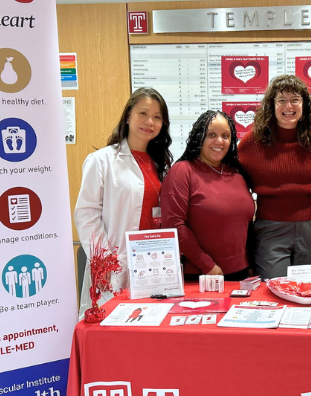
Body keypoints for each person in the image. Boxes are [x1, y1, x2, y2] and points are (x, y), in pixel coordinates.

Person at [74, 87, 172, 316]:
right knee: (112, 328)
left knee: (149, 331)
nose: (150, 122)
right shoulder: (102, 161)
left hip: (151, 263)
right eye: (143, 113)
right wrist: (104, 260)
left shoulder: (161, 165)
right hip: (115, 262)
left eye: (157, 117)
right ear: (128, 116)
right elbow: (86, 214)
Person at [238, 75, 311, 279]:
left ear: (304, 104)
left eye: (295, 99)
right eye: (281, 100)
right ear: (272, 105)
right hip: (270, 228)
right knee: (273, 288)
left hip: (310, 227)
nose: (288, 106)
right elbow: (233, 181)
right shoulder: (252, 142)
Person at [161, 110, 255, 281]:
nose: (219, 141)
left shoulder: (237, 173)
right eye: (211, 134)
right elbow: (173, 223)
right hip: (201, 275)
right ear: (199, 137)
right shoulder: (182, 171)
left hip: (241, 274)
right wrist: (206, 264)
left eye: (225, 136)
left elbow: (245, 225)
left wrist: (250, 265)